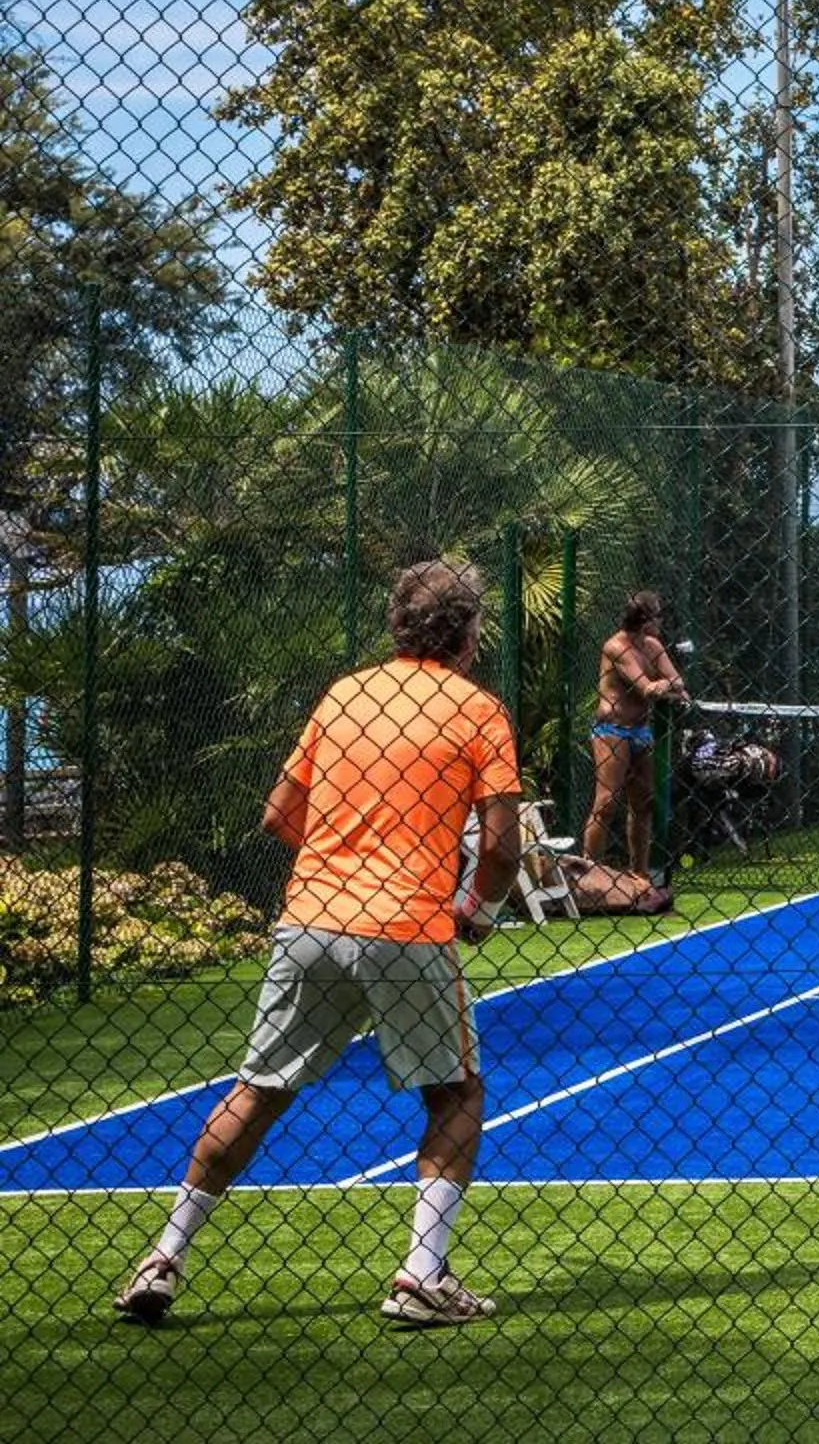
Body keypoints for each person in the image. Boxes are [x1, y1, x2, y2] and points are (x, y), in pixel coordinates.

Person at [114, 559, 521, 1329]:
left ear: (398, 622)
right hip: (406, 925)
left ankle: (165, 1256)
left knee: (260, 1090)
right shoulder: (479, 711)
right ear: (467, 632)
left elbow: (279, 814)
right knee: (456, 1092)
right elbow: (501, 848)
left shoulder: (346, 695)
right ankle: (421, 1274)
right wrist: (480, 909)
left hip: (310, 920)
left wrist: (344, 859)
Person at [581, 590, 686, 878]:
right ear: (646, 619)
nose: (661, 621)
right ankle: (589, 871)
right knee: (606, 803)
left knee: (644, 802)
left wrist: (669, 684)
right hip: (611, 730)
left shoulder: (653, 645)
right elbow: (647, 688)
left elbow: (678, 680)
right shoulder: (616, 647)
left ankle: (639, 874)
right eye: (658, 616)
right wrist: (667, 685)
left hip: (641, 730)